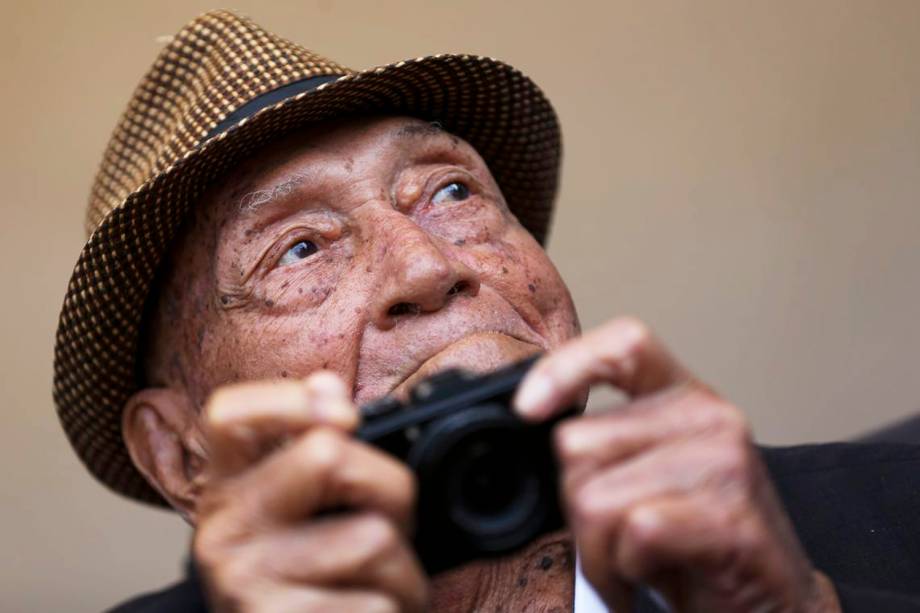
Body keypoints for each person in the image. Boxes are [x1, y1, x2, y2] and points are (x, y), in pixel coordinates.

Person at [53, 11, 920, 613]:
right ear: (183, 455)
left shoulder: (890, 512)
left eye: (450, 190)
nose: (428, 267)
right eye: (302, 247)